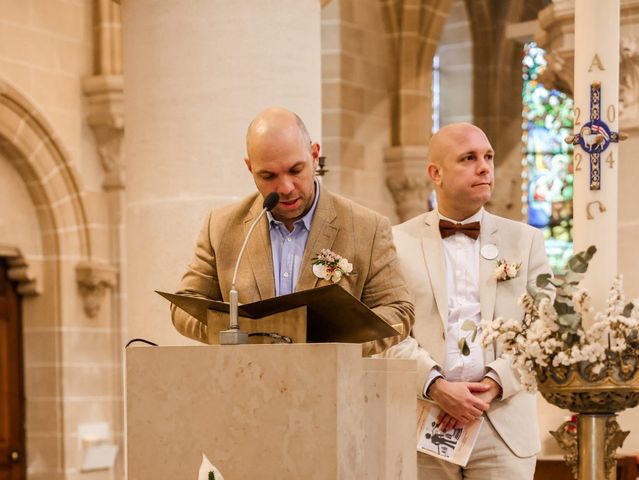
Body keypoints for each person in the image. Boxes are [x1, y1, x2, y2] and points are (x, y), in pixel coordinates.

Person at [381, 123, 552, 479]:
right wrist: (436, 386)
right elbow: (387, 332)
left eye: (488, 156)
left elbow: (543, 328)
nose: (484, 166)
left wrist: (494, 383)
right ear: (435, 173)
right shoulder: (396, 242)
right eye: (468, 158)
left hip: (502, 423)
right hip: (423, 420)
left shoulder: (526, 241)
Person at [171, 107, 414, 356]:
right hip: (244, 384)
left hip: (333, 385)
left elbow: (398, 310)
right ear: (250, 167)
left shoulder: (367, 228)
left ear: (314, 155)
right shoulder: (221, 226)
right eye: (268, 175)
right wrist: (242, 334)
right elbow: (184, 308)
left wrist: (336, 346)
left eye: (295, 170)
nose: (285, 187)